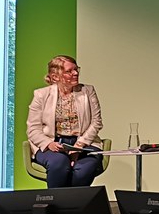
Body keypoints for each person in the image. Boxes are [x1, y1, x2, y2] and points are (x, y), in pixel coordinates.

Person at [26, 55, 104, 188]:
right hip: (53, 144)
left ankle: (74, 201)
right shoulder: (41, 94)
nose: (76, 73)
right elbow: (33, 129)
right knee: (59, 164)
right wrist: (48, 143)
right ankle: (57, 200)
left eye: (76, 69)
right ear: (55, 76)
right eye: (69, 71)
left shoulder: (88, 91)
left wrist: (80, 145)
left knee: (83, 170)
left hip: (84, 143)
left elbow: (96, 122)